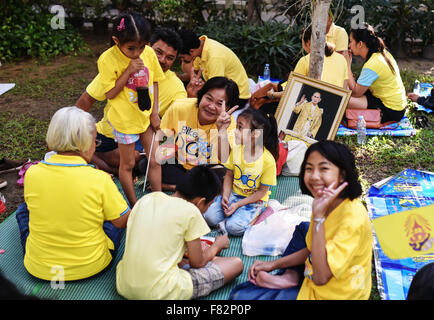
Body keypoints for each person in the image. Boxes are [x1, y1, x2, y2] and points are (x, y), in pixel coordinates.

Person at [230, 140, 373, 300]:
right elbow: (311, 248)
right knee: (303, 228)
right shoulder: (327, 202)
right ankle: (290, 277)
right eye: (309, 169)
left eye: (324, 168)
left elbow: (320, 278)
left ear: (342, 175)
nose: (314, 176)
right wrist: (272, 264)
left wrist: (318, 218)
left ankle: (291, 282)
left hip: (329, 294)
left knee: (239, 296)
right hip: (316, 272)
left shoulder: (351, 219)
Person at [16, 106, 130, 282]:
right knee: (117, 215)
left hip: (41, 268)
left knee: (24, 211)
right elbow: (123, 222)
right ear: (85, 143)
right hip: (91, 265)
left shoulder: (32, 173)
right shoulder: (99, 179)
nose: (95, 146)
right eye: (95, 142)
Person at [116, 165, 244, 300]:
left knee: (182, 259)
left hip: (124, 284)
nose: (207, 210)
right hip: (159, 292)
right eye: (209, 205)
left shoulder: (147, 199)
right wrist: (216, 246)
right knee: (235, 263)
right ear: (200, 202)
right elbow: (198, 263)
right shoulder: (191, 211)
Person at [75, 27, 186, 176]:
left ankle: (90, 158)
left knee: (140, 159)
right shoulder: (120, 68)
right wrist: (70, 129)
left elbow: (175, 127)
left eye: (170, 57)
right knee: (133, 161)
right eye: (158, 52)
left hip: (139, 140)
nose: (162, 60)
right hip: (107, 135)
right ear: (145, 48)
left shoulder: (176, 88)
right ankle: (95, 157)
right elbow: (86, 100)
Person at [96, 12, 164, 207]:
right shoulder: (107, 59)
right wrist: (128, 71)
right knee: (128, 165)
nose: (137, 53)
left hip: (145, 118)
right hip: (124, 121)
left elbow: (156, 82)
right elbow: (110, 93)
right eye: (131, 48)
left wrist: (154, 112)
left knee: (155, 159)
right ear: (116, 41)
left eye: (141, 47)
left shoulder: (148, 53)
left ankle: (158, 202)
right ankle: (134, 205)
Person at [203, 107, 278, 236]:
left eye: (240, 128)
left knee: (234, 228)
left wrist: (238, 205)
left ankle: (260, 213)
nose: (235, 131)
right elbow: (229, 174)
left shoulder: (268, 161)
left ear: (256, 134)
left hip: (254, 200)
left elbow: (262, 191)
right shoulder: (238, 149)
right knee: (208, 217)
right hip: (234, 194)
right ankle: (231, 215)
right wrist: (225, 196)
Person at [158, 77, 240, 191]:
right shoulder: (179, 107)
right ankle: (191, 187)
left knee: (225, 177)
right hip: (178, 163)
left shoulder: (228, 123)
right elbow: (162, 138)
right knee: (152, 162)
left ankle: (173, 186)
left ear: (228, 108)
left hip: (206, 170)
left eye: (219, 104)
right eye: (209, 98)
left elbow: (225, 158)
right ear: (201, 95)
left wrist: (222, 131)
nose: (211, 106)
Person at [344, 23, 407, 124]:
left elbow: (356, 93)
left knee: (342, 100)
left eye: (351, 41)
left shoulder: (373, 64)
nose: (349, 45)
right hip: (396, 104)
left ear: (360, 44)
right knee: (345, 93)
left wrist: (347, 65)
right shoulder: (382, 52)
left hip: (391, 110)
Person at [177, 29, 251, 108]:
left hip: (238, 97)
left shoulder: (214, 57)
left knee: (195, 104)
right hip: (220, 88)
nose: (182, 60)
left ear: (191, 51)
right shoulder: (200, 48)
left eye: (182, 57)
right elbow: (194, 74)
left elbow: (216, 88)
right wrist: (178, 77)